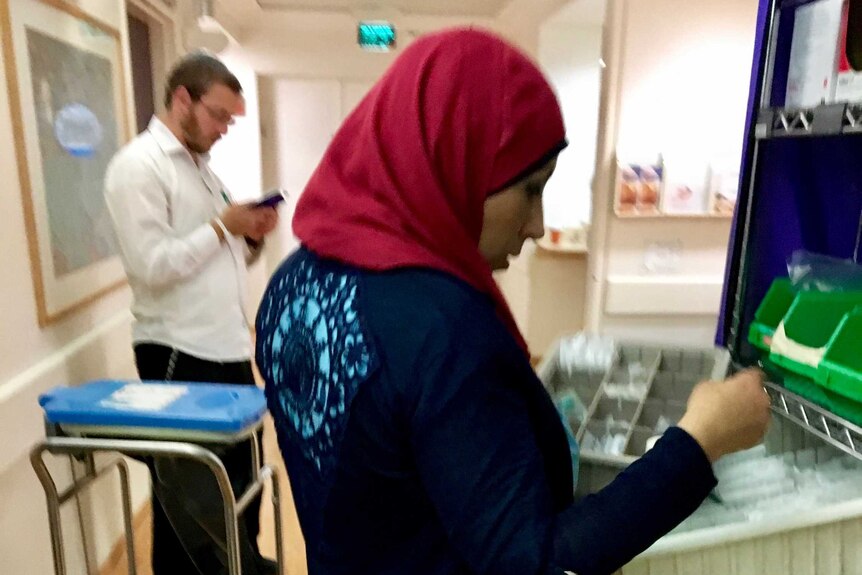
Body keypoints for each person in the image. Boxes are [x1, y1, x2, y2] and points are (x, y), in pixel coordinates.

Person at [254, 29, 771, 575]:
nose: (538, 225)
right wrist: (700, 440)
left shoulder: (294, 281)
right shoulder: (444, 329)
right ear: (456, 160)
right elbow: (535, 562)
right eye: (529, 189)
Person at [105, 53, 278, 575]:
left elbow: (218, 256)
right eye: (220, 115)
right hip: (179, 354)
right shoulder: (138, 168)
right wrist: (224, 227)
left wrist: (247, 236)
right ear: (183, 98)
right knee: (188, 504)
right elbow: (151, 267)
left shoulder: (204, 172)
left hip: (226, 349)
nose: (225, 129)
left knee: (239, 488)